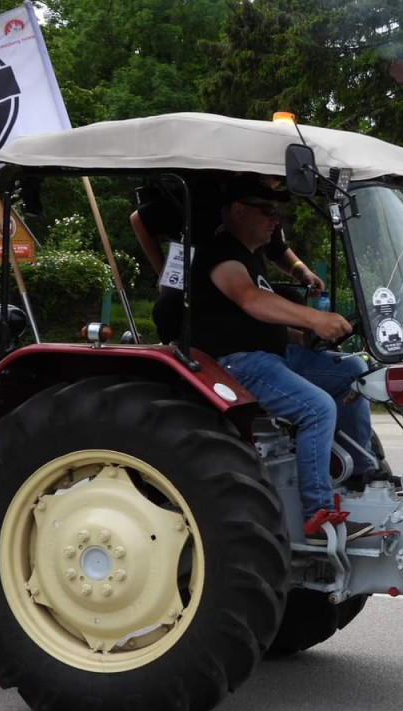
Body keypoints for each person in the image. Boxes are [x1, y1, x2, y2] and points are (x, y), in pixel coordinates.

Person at [190, 173, 376, 544]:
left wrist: (303, 336)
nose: (276, 220)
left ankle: (361, 476)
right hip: (236, 364)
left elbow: (254, 321)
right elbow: (251, 301)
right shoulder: (221, 254)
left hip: (271, 354)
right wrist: (315, 319)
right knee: (318, 408)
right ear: (239, 211)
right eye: (267, 211)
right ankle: (319, 519)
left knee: (354, 370)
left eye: (277, 213)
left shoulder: (251, 254)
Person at [130, 173, 326, 342]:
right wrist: (164, 271)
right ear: (237, 211)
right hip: (203, 288)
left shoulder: (262, 212)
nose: (273, 219)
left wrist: (301, 270)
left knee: (290, 298)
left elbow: (277, 248)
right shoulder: (200, 194)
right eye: (267, 178)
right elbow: (140, 219)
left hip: (240, 284)